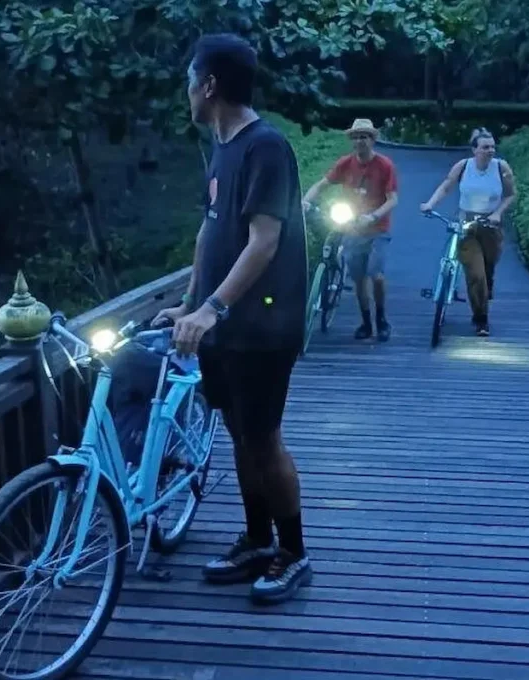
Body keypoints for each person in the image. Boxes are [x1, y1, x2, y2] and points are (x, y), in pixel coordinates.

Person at [152, 33, 310, 604]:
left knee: (263, 439)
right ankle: (257, 540)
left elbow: (264, 241)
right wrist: (190, 302)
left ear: (209, 85)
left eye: (189, 81)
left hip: (264, 328)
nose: (187, 91)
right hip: (224, 328)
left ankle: (293, 552)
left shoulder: (266, 147)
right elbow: (210, 230)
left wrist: (212, 308)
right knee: (240, 435)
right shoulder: (223, 147)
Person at [301, 118, 399, 342]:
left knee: (376, 275)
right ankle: (366, 322)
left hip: (377, 229)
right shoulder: (345, 163)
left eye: (364, 137)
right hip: (352, 228)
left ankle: (381, 319)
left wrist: (373, 216)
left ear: (372, 140)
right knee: (358, 278)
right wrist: (306, 201)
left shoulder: (384, 165)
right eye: (356, 137)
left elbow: (393, 199)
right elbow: (322, 184)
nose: (359, 141)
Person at [420, 127, 516, 336]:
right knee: (476, 273)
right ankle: (481, 319)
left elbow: (510, 195)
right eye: (485, 147)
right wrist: (430, 204)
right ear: (475, 150)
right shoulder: (463, 166)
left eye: (492, 147)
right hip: (467, 224)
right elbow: (446, 186)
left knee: (488, 270)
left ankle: (484, 295)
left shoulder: (501, 167)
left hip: (491, 226)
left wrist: (497, 213)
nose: (490, 151)